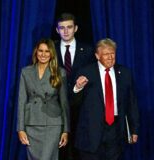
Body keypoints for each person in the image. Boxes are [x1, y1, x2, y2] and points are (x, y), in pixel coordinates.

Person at [74, 38, 140, 160]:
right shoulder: (85, 72)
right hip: (91, 132)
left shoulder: (125, 73)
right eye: (105, 54)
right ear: (97, 56)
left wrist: (134, 129)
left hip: (116, 131)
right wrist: (77, 88)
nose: (110, 57)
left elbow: (132, 103)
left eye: (112, 53)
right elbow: (74, 103)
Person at [17, 39, 70, 160]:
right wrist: (20, 129)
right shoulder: (26, 72)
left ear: (52, 53)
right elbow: (21, 102)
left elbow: (64, 103)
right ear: (36, 52)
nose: (43, 54)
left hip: (52, 124)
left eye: (47, 51)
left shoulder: (59, 72)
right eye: (40, 51)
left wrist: (66, 130)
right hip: (31, 124)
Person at [54, 12, 96, 160]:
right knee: (59, 149)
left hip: (81, 107)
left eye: (69, 27)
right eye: (62, 28)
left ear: (76, 28)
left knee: (79, 149)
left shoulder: (89, 50)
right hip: (56, 108)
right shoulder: (49, 50)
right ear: (57, 30)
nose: (66, 31)